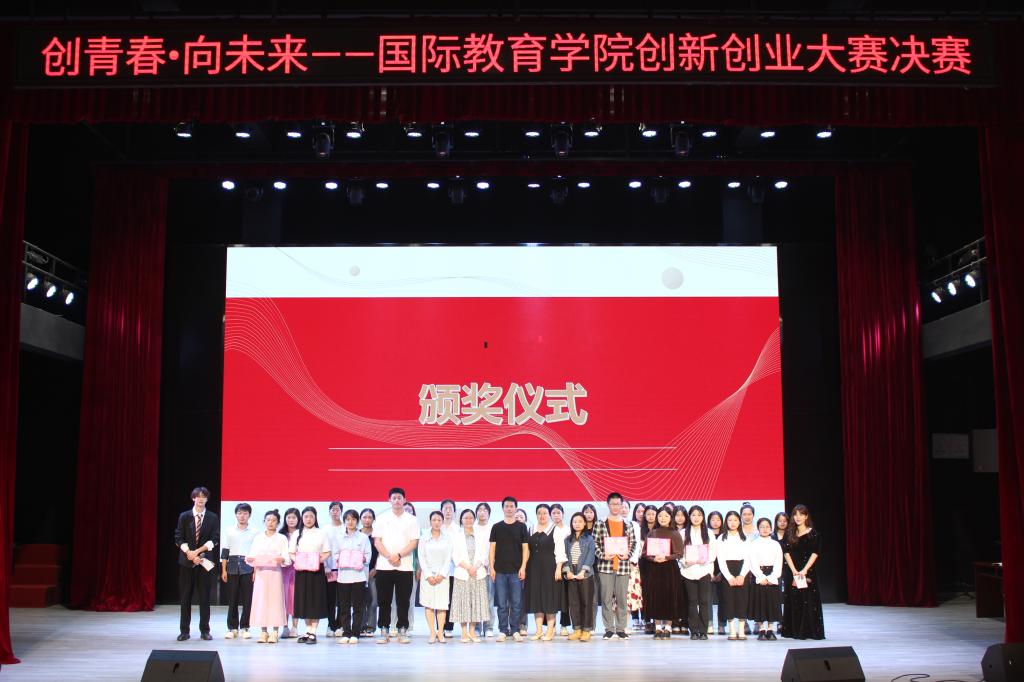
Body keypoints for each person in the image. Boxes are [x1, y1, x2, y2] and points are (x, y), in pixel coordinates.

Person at [373, 487, 420, 644]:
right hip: (384, 565)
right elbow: (377, 541)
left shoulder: (412, 520)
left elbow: (414, 542)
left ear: (404, 500)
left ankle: (402, 630)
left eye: (400, 498)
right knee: (384, 601)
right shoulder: (381, 518)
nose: (397, 500)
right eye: (394, 498)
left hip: (404, 566)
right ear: (389, 500)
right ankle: (384, 630)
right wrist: (389, 556)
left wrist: (398, 555)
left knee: (403, 601)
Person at [174, 486, 220, 641]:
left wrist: (198, 552)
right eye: (198, 496)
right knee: (185, 597)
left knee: (205, 598)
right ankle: (184, 631)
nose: (201, 499)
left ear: (207, 499)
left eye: (203, 496)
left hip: (204, 561)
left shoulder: (212, 517)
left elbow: (214, 539)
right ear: (193, 498)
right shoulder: (184, 516)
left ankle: (205, 630)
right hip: (186, 562)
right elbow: (178, 537)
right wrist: (190, 553)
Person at [592, 492, 636, 639]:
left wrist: (628, 555)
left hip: (623, 566)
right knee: (606, 599)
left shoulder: (628, 524)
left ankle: (621, 628)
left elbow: (633, 542)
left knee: (622, 599)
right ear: (608, 505)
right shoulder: (600, 523)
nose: (615, 507)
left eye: (618, 504)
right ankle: (609, 628)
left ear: (622, 505)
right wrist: (602, 555)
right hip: (605, 566)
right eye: (613, 504)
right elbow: (594, 543)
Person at [489, 496, 530, 642]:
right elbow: (492, 549)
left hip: (516, 571)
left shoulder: (522, 527)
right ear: (503, 508)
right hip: (500, 571)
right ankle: (502, 630)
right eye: (506, 506)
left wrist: (523, 567)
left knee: (517, 603)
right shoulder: (496, 527)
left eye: (512, 506)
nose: (509, 508)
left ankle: (515, 630)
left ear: (515, 508)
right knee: (502, 603)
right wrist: (492, 567)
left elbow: (525, 549)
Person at [246, 509, 290, 643]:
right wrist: (251, 560)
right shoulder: (258, 537)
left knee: (276, 601)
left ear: (278, 523)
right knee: (262, 601)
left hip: (275, 574)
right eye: (268, 520)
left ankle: (275, 632)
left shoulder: (282, 538)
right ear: (264, 521)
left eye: (274, 520)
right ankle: (264, 632)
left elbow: (286, 558)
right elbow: (252, 555)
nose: (271, 523)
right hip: (261, 574)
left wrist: (281, 559)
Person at [781, 505, 824, 640]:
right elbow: (786, 553)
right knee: (794, 600)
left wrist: (804, 571)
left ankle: (808, 631)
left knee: (808, 600)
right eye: (795, 514)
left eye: (801, 514)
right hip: (792, 571)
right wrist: (794, 571)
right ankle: (794, 631)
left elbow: (815, 553)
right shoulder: (789, 533)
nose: (798, 517)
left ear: (806, 516)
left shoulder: (813, 534)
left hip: (807, 571)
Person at [289, 506, 331, 644]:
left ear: (315, 518)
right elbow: (291, 553)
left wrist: (316, 561)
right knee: (304, 601)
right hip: (301, 571)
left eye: (311, 516)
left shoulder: (321, 533)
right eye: (306, 516)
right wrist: (300, 561)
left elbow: (327, 552)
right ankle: (307, 631)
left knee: (315, 601)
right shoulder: (297, 533)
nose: (308, 519)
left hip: (316, 571)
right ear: (302, 518)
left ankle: (313, 632)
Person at [641, 505, 683, 639]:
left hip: (670, 569)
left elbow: (679, 553)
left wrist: (666, 557)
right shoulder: (652, 533)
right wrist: (653, 558)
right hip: (654, 568)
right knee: (656, 597)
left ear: (670, 518)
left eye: (666, 516)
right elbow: (644, 553)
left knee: (670, 596)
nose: (663, 518)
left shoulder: (675, 533)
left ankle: (668, 627)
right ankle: (658, 627)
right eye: (660, 516)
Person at [525, 504, 564, 640]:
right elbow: (527, 551)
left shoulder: (555, 529)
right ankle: (538, 631)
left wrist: (558, 568)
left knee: (549, 598)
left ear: (549, 515)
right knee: (536, 598)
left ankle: (550, 631)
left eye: (545, 513)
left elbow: (560, 551)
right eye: (539, 513)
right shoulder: (530, 529)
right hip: (533, 568)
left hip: (550, 568)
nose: (542, 516)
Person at [221, 502, 257, 640]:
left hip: (248, 566)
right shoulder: (229, 530)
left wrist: (255, 571)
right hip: (232, 566)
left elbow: (256, 553)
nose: (242, 516)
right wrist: (223, 570)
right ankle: (232, 628)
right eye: (239, 513)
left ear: (249, 515)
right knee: (232, 599)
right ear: (236, 515)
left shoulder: (254, 532)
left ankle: (245, 627)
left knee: (247, 599)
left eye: (245, 513)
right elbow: (225, 551)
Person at [335, 509, 371, 645]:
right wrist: (342, 559)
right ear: (344, 521)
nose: (350, 522)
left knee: (358, 607)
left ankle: (355, 633)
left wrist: (359, 558)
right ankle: (346, 632)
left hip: (358, 577)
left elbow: (368, 556)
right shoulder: (339, 537)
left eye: (353, 519)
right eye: (348, 519)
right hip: (343, 577)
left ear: (357, 521)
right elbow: (335, 555)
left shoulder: (363, 537)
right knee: (344, 607)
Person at [680, 504, 716, 640]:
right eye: (693, 515)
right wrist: (685, 561)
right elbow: (679, 552)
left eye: (699, 515)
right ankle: (694, 630)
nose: (696, 518)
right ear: (689, 517)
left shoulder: (709, 533)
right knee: (692, 601)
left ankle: (703, 630)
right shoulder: (683, 532)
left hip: (704, 570)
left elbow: (713, 552)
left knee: (704, 601)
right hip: (688, 571)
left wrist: (705, 560)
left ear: (703, 517)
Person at [419, 511, 454, 643]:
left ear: (442, 521)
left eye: (439, 520)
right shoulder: (424, 537)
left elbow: (448, 558)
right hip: (427, 575)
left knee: (442, 604)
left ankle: (440, 633)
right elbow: (421, 557)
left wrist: (442, 574)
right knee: (428, 604)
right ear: (430, 521)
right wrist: (428, 575)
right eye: (434, 520)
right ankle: (432, 632)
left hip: (442, 576)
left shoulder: (448, 538)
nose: (437, 522)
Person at [562, 512, 596, 641]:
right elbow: (564, 556)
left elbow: (590, 556)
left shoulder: (589, 538)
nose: (577, 524)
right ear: (571, 523)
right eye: (575, 521)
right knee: (574, 603)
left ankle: (586, 630)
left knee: (586, 603)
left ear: (584, 523)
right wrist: (567, 571)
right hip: (572, 573)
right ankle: (577, 629)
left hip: (585, 573)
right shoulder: (567, 540)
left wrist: (583, 571)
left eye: (580, 521)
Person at [718, 511, 751, 640]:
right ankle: (732, 630)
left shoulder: (745, 537)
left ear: (739, 522)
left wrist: (742, 575)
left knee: (742, 600)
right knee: (728, 600)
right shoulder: (721, 538)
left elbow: (748, 558)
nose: (733, 523)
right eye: (730, 520)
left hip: (742, 569)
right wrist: (729, 576)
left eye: (735, 520)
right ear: (726, 522)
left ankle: (741, 630)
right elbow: (720, 559)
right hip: (727, 571)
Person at [750, 517, 783, 641]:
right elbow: (752, 562)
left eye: (767, 527)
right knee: (759, 603)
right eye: (762, 527)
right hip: (759, 575)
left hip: (772, 575)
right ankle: (761, 629)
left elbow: (779, 562)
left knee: (772, 603)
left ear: (771, 528)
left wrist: (772, 577)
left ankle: (770, 628)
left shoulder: (775, 544)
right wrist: (761, 577)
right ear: (758, 529)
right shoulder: (754, 544)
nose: (764, 529)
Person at [550, 503, 572, 636]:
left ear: (563, 514)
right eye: (553, 513)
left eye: (558, 513)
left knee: (565, 597)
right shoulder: (548, 529)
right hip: (550, 565)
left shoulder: (568, 530)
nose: (556, 515)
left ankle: (564, 625)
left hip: (565, 565)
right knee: (550, 596)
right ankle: (550, 626)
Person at [474, 502, 495, 637]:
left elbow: (496, 548)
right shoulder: (472, 528)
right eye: (480, 510)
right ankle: (477, 627)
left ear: (489, 513)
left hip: (489, 568)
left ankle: (489, 626)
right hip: (475, 569)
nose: (482, 512)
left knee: (489, 599)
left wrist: (490, 562)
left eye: (485, 510)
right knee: (476, 599)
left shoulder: (494, 528)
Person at [279, 507, 301, 638]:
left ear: (298, 519)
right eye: (289, 517)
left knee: (295, 598)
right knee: (284, 598)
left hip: (298, 569)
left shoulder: (302, 533)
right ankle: (285, 627)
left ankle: (295, 627)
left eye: (294, 517)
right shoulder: (280, 535)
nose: (291, 520)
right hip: (283, 570)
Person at [324, 501, 345, 637]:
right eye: (333, 509)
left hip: (344, 569)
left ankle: (340, 624)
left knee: (343, 598)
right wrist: (325, 565)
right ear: (329, 512)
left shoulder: (345, 527)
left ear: (341, 512)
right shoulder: (325, 529)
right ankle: (331, 625)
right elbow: (323, 548)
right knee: (330, 599)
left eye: (337, 509)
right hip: (330, 569)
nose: (335, 512)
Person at [638, 505, 659, 635]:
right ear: (644, 516)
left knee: (657, 593)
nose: (651, 516)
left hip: (658, 563)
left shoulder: (660, 530)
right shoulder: (639, 530)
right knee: (645, 593)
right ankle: (647, 621)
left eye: (653, 514)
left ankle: (657, 621)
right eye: (648, 514)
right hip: (644, 564)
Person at [439, 499, 458, 636]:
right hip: (438, 570)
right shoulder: (436, 528)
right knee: (439, 599)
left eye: (450, 508)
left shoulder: (458, 530)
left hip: (453, 570)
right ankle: (439, 627)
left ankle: (449, 627)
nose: (447, 511)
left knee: (451, 599)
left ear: (454, 511)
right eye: (445, 508)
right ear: (441, 511)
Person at [359, 508, 379, 637]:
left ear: (373, 519)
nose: (367, 520)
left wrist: (375, 568)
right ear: (360, 519)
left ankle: (371, 627)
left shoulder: (377, 535)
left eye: (369, 517)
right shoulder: (356, 534)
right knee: (360, 600)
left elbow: (380, 553)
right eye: (364, 517)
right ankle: (360, 626)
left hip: (374, 572)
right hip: (358, 572)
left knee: (373, 601)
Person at [627, 502, 646, 631]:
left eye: (643, 511)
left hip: (646, 562)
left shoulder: (648, 527)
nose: (641, 514)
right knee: (633, 590)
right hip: (632, 562)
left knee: (643, 591)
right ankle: (635, 618)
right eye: (638, 511)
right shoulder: (630, 525)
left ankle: (645, 618)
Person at [707, 510, 726, 635]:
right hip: (707, 570)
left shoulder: (725, 536)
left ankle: (721, 624)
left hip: (722, 571)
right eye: (713, 519)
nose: (715, 522)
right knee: (707, 599)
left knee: (722, 599)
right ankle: (709, 623)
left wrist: (721, 573)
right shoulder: (705, 534)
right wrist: (710, 572)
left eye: (718, 519)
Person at [672, 505, 690, 635]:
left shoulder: (690, 531)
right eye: (677, 515)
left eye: (682, 515)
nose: (680, 518)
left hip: (687, 567)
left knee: (686, 596)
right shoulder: (669, 531)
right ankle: (674, 622)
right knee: (674, 596)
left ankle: (685, 622)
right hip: (672, 566)